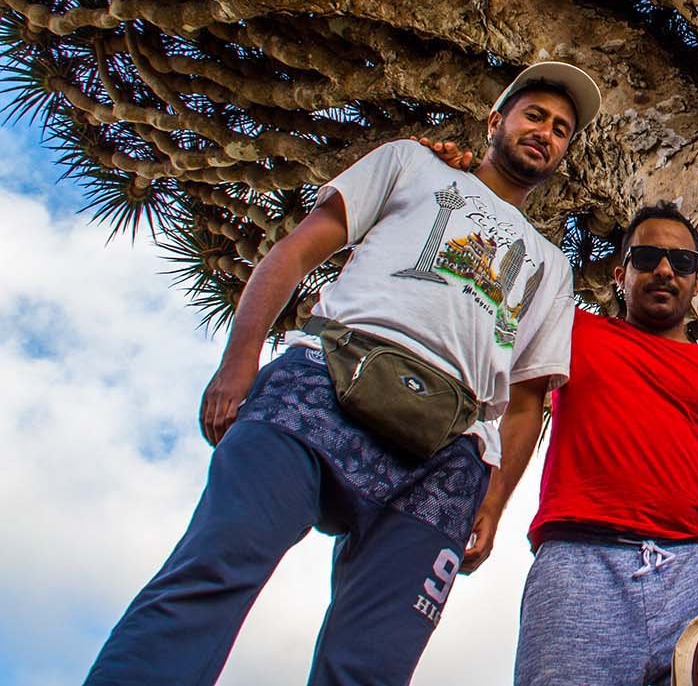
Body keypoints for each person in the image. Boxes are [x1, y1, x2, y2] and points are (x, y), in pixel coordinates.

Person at [85, 61, 602, 685]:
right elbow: (300, 247)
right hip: (322, 381)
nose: (545, 132)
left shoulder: (552, 265)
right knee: (211, 573)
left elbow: (525, 403)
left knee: (372, 666)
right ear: (496, 122)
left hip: (448, 454)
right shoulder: (412, 163)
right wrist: (239, 359)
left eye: (562, 129)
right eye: (535, 116)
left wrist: (494, 502)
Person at [462, 199, 698, 686]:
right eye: (647, 258)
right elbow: (521, 412)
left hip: (696, 571)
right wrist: (491, 504)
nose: (665, 270)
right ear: (619, 274)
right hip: (580, 562)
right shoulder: (570, 331)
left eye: (682, 262)